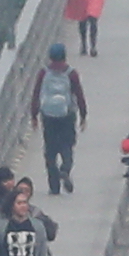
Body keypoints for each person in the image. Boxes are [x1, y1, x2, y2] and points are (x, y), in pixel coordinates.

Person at [34, 37, 89, 187]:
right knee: (67, 145)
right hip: (67, 115)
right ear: (64, 56)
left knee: (50, 150)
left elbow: (36, 93)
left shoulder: (43, 73)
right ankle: (65, 169)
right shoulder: (71, 74)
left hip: (48, 116)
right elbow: (79, 95)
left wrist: (34, 115)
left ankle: (54, 185)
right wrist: (83, 116)